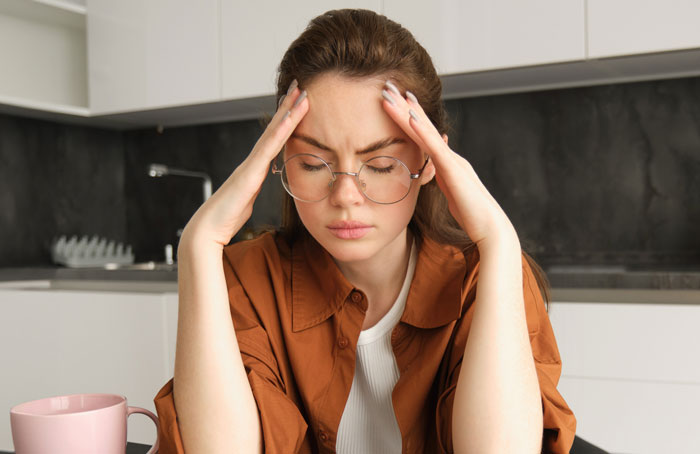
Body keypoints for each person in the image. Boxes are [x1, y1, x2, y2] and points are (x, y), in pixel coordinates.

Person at [153, 8, 576, 454]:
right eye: (315, 164)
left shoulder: (486, 276)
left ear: (429, 161)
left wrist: (499, 240)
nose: (346, 195)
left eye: (380, 164)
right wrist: (198, 246)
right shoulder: (245, 279)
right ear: (276, 159)